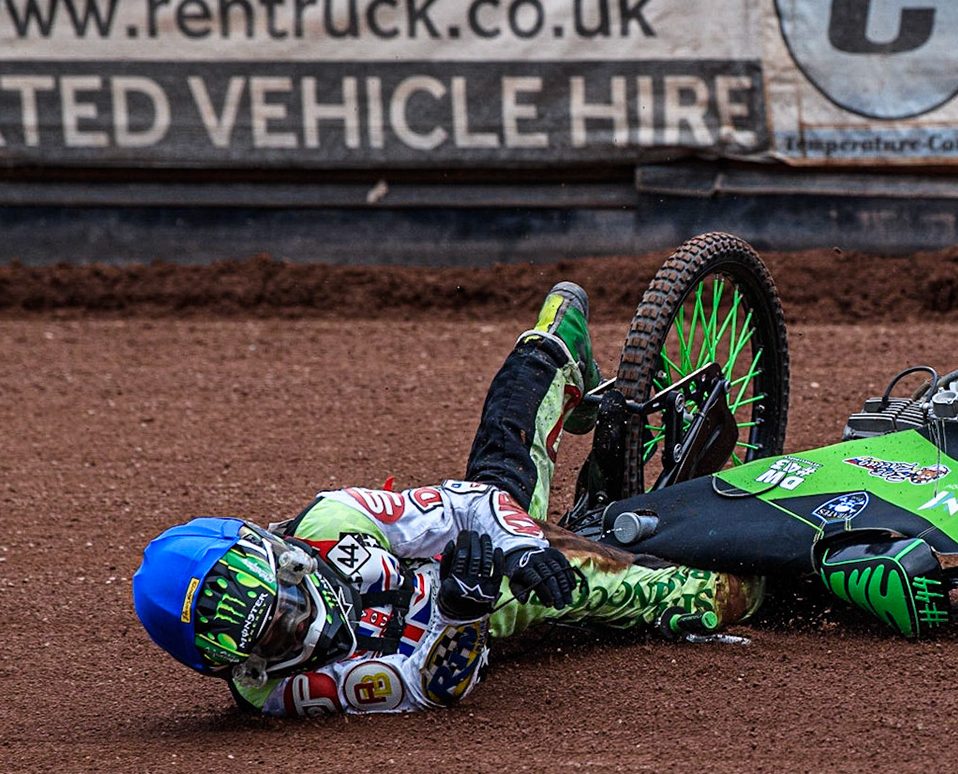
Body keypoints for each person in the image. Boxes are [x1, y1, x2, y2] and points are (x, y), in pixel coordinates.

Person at [131, 283, 763, 718]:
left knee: (503, 463)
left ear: (278, 555)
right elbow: (422, 688)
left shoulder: (334, 521)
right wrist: (462, 614)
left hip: (474, 547)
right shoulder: (277, 692)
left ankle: (553, 346)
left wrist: (517, 548)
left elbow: (470, 502)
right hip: (473, 611)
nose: (298, 629)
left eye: (286, 606)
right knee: (717, 598)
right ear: (235, 671)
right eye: (270, 642)